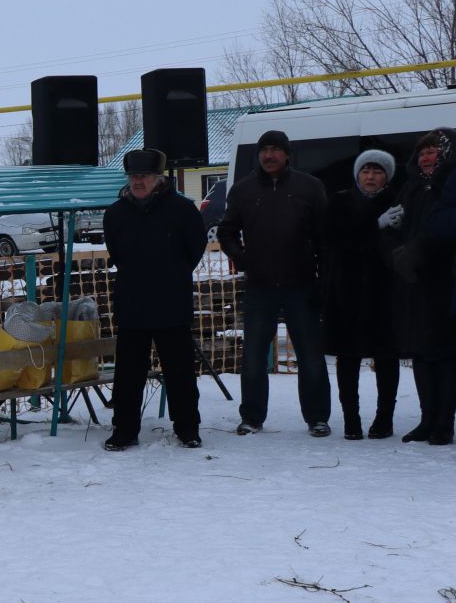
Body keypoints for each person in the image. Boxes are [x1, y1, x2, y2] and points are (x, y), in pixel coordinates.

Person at [216, 129, 331, 436]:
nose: (268, 155)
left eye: (274, 150)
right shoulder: (242, 190)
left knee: (310, 355)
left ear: (287, 154)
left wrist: (324, 277)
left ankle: (318, 417)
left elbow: (324, 237)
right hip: (260, 286)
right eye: (263, 150)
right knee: (253, 356)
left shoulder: (310, 187)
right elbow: (226, 231)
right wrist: (242, 258)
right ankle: (252, 417)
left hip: (302, 284)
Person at [101, 149, 207, 450]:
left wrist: (170, 274)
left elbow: (194, 250)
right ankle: (124, 431)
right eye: (133, 176)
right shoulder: (116, 213)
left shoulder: (183, 210)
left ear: (159, 179)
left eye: (144, 176)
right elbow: (117, 253)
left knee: (180, 373)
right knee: (128, 375)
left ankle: (188, 429)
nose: (138, 181)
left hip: (171, 303)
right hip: (132, 305)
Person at [322, 149, 401, 440]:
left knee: (387, 356)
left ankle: (384, 419)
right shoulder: (340, 202)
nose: (370, 176)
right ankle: (351, 419)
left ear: (387, 177)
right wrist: (374, 225)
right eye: (365, 170)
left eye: (377, 171)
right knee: (349, 356)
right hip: (347, 291)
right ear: (357, 175)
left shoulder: (396, 202)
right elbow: (336, 239)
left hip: (385, 292)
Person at [392, 129, 456, 444]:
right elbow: (398, 228)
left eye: (433, 151)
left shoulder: (449, 186)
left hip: (445, 281)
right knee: (420, 353)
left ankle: (444, 423)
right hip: (414, 282)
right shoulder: (410, 188)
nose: (427, 158)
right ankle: (426, 418)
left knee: (445, 355)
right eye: (423, 152)